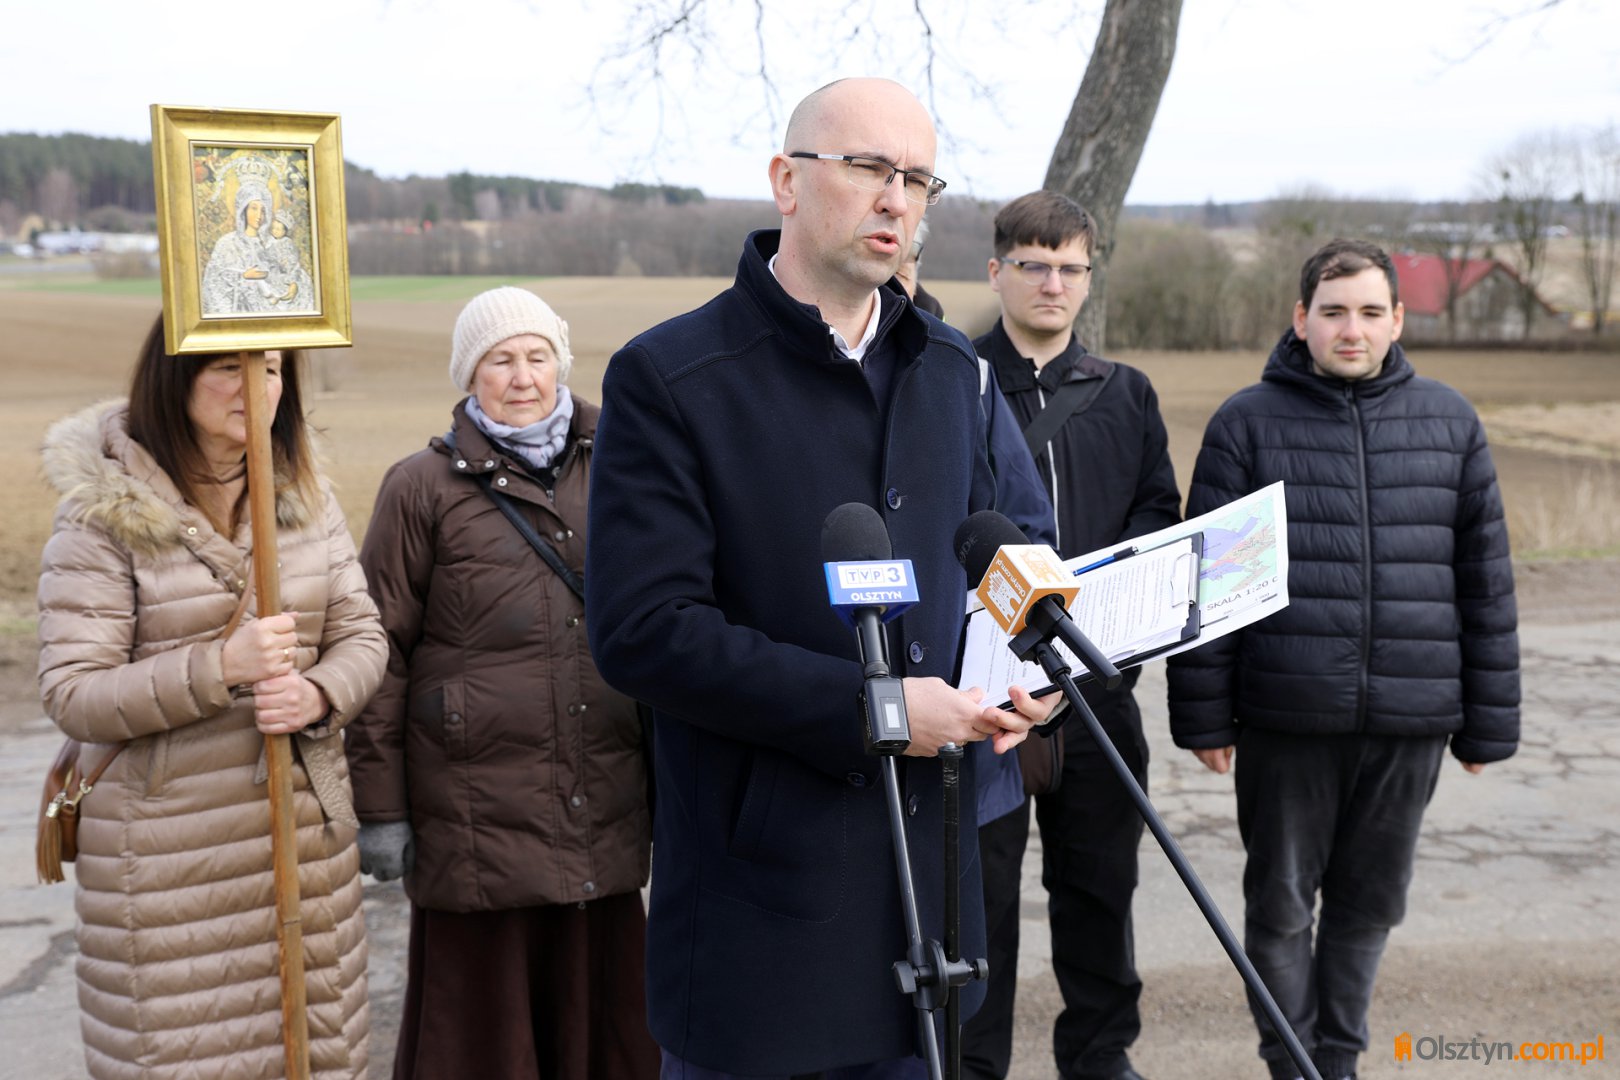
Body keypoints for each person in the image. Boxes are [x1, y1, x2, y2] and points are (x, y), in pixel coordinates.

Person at [585, 77, 1055, 1078]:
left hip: (931, 901)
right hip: (767, 916)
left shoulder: (950, 372)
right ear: (785, 181)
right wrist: (875, 710)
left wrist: (1026, 679)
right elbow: (645, 631)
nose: (896, 199)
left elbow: (987, 559)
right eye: (869, 168)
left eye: (917, 177)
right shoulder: (669, 378)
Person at [1166, 239, 1520, 1080]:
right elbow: (1204, 585)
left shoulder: (1450, 421)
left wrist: (1488, 723)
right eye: (1333, 312)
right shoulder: (1246, 424)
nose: (1351, 329)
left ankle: (1339, 1059)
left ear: (1398, 320)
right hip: (1288, 717)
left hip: (1411, 721)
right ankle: (1293, 1064)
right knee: (1281, 908)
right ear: (1301, 319)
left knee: (1368, 906)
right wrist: (1205, 716)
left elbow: (1486, 582)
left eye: (1369, 312)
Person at [36, 314, 387, 1079]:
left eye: (271, 368)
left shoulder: (304, 492)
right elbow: (74, 693)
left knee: (315, 1054)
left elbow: (364, 634)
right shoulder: (104, 515)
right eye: (227, 367)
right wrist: (219, 666)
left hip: (301, 842)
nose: (255, 387)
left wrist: (319, 693)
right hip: (171, 862)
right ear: (174, 378)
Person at [346, 286, 658, 1080]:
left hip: (603, 785)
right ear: (468, 375)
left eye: (537, 356)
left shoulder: (623, 465)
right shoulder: (419, 488)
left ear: (561, 364)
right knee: (484, 1033)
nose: (522, 377)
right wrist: (380, 809)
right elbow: (377, 652)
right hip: (476, 810)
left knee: (607, 1021)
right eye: (499, 360)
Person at [962, 190, 1181, 1080]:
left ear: (1088, 278)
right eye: (1034, 264)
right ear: (998, 271)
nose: (1053, 283)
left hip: (1097, 692)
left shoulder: (1125, 394)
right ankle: (974, 1065)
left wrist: (1102, 651)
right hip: (985, 696)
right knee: (978, 904)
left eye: (1070, 268)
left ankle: (1100, 1059)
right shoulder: (951, 382)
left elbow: (1158, 520)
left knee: (1099, 894)